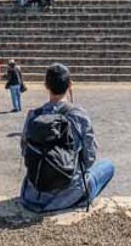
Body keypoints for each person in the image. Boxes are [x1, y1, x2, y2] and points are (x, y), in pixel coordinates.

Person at [20, 63, 115, 212]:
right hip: (68, 195)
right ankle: (80, 198)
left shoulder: (34, 116)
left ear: (46, 85)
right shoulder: (78, 115)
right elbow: (89, 159)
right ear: (70, 84)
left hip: (32, 196)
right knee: (108, 165)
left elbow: (25, 151)